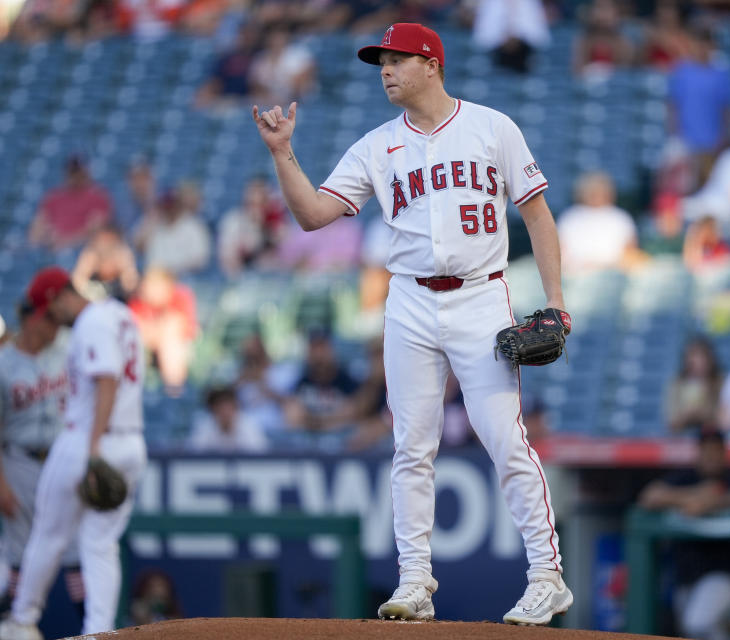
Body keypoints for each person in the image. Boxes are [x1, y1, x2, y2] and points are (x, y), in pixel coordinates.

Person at [252, 22, 571, 625]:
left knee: (504, 440)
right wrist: (282, 154)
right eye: (381, 63)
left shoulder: (492, 127)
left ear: (432, 64)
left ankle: (545, 575)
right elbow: (315, 214)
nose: (386, 71)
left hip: (481, 296)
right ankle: (415, 578)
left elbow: (538, 215)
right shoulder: (377, 144)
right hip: (409, 302)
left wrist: (555, 302)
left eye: (396, 60)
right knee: (411, 447)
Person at [0, 267, 146, 638]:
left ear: (55, 299)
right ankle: (100, 630)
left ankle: (22, 619)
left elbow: (106, 378)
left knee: (49, 534)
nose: (53, 319)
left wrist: (94, 448)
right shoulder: (121, 314)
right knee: (100, 544)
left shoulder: (91, 322)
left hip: (89, 440)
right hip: (131, 441)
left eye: (50, 310)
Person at [0, 296, 84, 625]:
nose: (55, 327)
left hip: (62, 456)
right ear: (31, 318)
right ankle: (11, 626)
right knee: (21, 551)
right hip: (20, 459)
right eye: (50, 320)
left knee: (77, 547)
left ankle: (95, 626)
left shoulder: (66, 351)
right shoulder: (0, 364)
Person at [639, 430, 730, 640]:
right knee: (691, 631)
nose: (711, 456)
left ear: (725, 453)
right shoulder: (686, 478)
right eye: (706, 450)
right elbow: (649, 497)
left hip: (724, 572)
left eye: (716, 450)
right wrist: (693, 496)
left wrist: (714, 501)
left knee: (698, 623)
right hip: (686, 576)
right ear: (698, 452)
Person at [668, 25, 730, 177]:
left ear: (713, 46)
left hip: (712, 144)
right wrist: (675, 136)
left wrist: (724, 137)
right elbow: (673, 106)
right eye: (698, 43)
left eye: (706, 43)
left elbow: (728, 109)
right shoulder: (682, 71)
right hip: (686, 143)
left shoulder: (722, 75)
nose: (701, 48)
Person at [556, 172, 643, 274]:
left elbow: (630, 252)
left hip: (613, 274)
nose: (596, 194)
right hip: (575, 274)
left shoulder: (621, 217)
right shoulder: (569, 217)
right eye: (592, 191)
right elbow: (559, 252)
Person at [127, 268, 197, 392]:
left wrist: (155, 331)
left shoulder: (180, 295)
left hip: (182, 346)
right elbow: (136, 330)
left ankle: (174, 393)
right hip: (146, 347)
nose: (148, 291)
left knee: (171, 343)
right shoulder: (138, 301)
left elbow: (179, 328)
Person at [28, 155, 112, 252]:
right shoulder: (53, 197)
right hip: (53, 248)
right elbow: (36, 231)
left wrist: (65, 242)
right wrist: (46, 238)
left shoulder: (98, 197)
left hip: (80, 251)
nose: (75, 176)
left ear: (86, 172)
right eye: (72, 172)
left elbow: (95, 230)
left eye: (78, 171)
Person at [133, 187, 211, 277]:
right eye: (165, 205)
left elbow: (200, 261)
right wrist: (151, 219)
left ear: (178, 205)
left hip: (184, 278)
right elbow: (138, 247)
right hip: (156, 279)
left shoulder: (194, 226)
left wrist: (173, 271)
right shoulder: (153, 224)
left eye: (171, 205)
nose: (168, 209)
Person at [664, 337, 723, 434]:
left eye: (701, 356)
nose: (697, 361)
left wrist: (703, 413)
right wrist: (687, 415)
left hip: (712, 439)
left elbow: (724, 418)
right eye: (693, 356)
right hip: (682, 439)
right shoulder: (677, 384)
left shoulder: (720, 383)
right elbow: (671, 421)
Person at [187, 386, 269, 453]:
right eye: (220, 407)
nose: (225, 411)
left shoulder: (248, 423)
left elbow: (259, 451)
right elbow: (194, 451)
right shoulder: (205, 424)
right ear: (213, 409)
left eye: (229, 406)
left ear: (236, 407)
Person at [71, 225, 140, 302]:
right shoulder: (90, 254)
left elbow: (131, 285)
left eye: (110, 241)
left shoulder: (123, 253)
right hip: (93, 299)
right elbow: (78, 281)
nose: (106, 244)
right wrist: (94, 293)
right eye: (103, 241)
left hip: (120, 299)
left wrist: (125, 271)